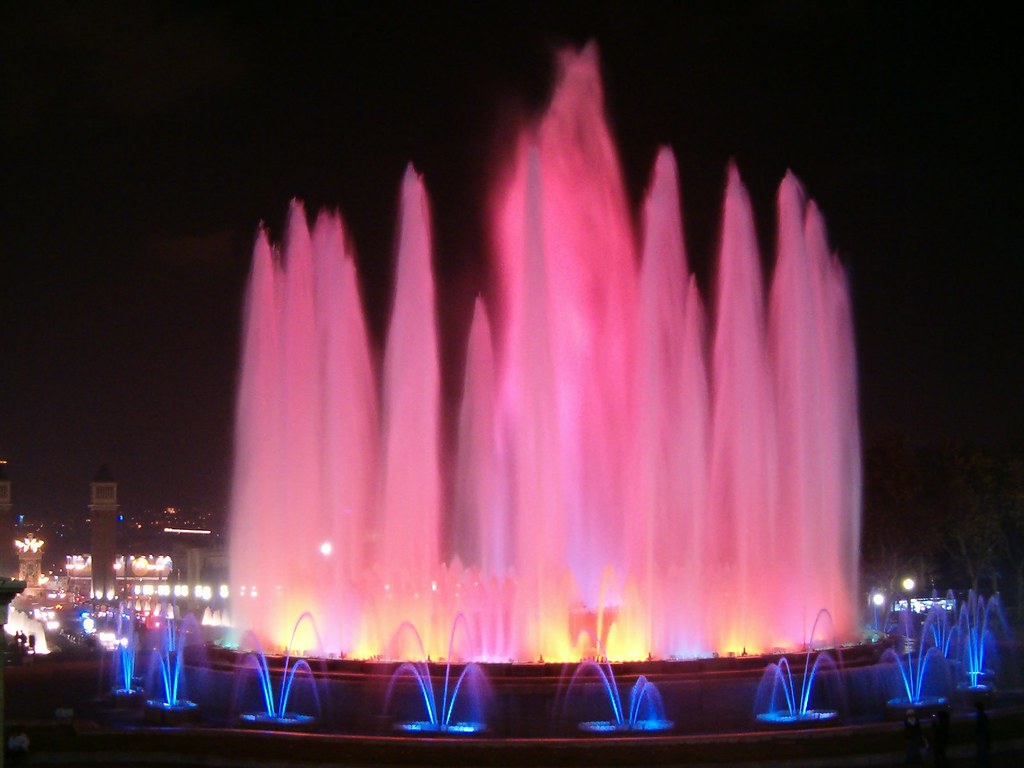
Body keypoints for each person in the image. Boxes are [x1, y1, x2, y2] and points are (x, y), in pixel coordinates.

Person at [975, 701, 990, 768]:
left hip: (981, 734)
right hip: (982, 734)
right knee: (983, 750)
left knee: (982, 750)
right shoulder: (982, 715)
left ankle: (983, 763)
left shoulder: (980, 715)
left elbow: (982, 725)